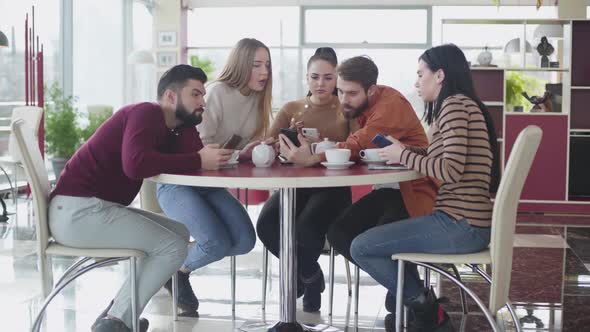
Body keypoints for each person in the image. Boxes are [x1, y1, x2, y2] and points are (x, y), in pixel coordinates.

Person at [48, 64, 233, 332]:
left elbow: (193, 157)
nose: (202, 102)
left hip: (87, 210)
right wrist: (197, 157)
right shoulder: (146, 113)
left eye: (203, 96)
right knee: (171, 246)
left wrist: (192, 125)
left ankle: (116, 313)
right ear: (170, 96)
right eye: (196, 94)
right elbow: (135, 165)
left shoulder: (167, 127)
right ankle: (116, 323)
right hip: (79, 212)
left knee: (179, 233)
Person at [350, 44, 501, 331]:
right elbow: (447, 161)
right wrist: (405, 149)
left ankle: (427, 309)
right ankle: (421, 306)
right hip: (467, 222)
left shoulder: (454, 105)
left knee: (362, 246)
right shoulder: (465, 104)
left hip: (461, 224)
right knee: (380, 236)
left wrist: (402, 155)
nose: (417, 82)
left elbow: (450, 170)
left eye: (421, 74)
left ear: (440, 75)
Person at [279, 56, 438, 311]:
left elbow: (361, 141)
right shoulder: (373, 101)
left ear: (371, 90)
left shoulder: (389, 106)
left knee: (367, 241)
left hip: (415, 192)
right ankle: (405, 286)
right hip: (390, 189)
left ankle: (412, 295)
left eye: (351, 93)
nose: (343, 99)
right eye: (340, 91)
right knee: (339, 233)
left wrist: (312, 157)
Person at [156, 38, 273, 314]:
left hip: (210, 183)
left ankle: (175, 267)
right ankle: (171, 269)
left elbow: (228, 151)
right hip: (181, 182)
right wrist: (235, 155)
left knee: (244, 240)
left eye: (267, 65)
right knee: (215, 243)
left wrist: (248, 152)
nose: (264, 71)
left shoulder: (257, 99)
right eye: (256, 65)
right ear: (241, 65)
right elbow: (201, 148)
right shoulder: (217, 93)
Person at [256, 47, 352, 312]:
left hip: (333, 187)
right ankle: (311, 275)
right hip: (295, 185)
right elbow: (271, 143)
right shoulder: (291, 108)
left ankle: (305, 281)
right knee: (265, 225)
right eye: (315, 77)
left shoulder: (346, 109)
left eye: (328, 77)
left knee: (306, 228)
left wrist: (322, 145)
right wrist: (277, 142)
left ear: (337, 78)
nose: (320, 83)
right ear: (306, 78)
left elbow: (356, 146)